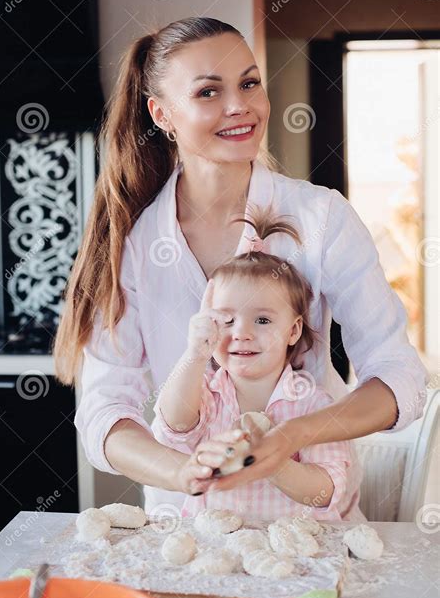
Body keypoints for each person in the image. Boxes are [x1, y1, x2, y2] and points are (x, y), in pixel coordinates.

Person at [53, 16, 427, 516]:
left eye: (249, 83)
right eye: (209, 92)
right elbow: (104, 410)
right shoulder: (134, 244)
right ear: (162, 114)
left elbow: (398, 375)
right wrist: (182, 473)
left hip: (311, 525)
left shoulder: (323, 218)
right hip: (186, 527)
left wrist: (291, 435)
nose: (240, 106)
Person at [152, 205, 365, 522]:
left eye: (262, 319)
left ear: (293, 330)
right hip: (216, 548)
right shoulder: (207, 394)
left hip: (293, 552)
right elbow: (173, 425)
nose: (242, 333)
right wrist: (194, 354)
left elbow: (325, 491)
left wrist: (272, 459)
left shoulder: (314, 405)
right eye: (226, 320)